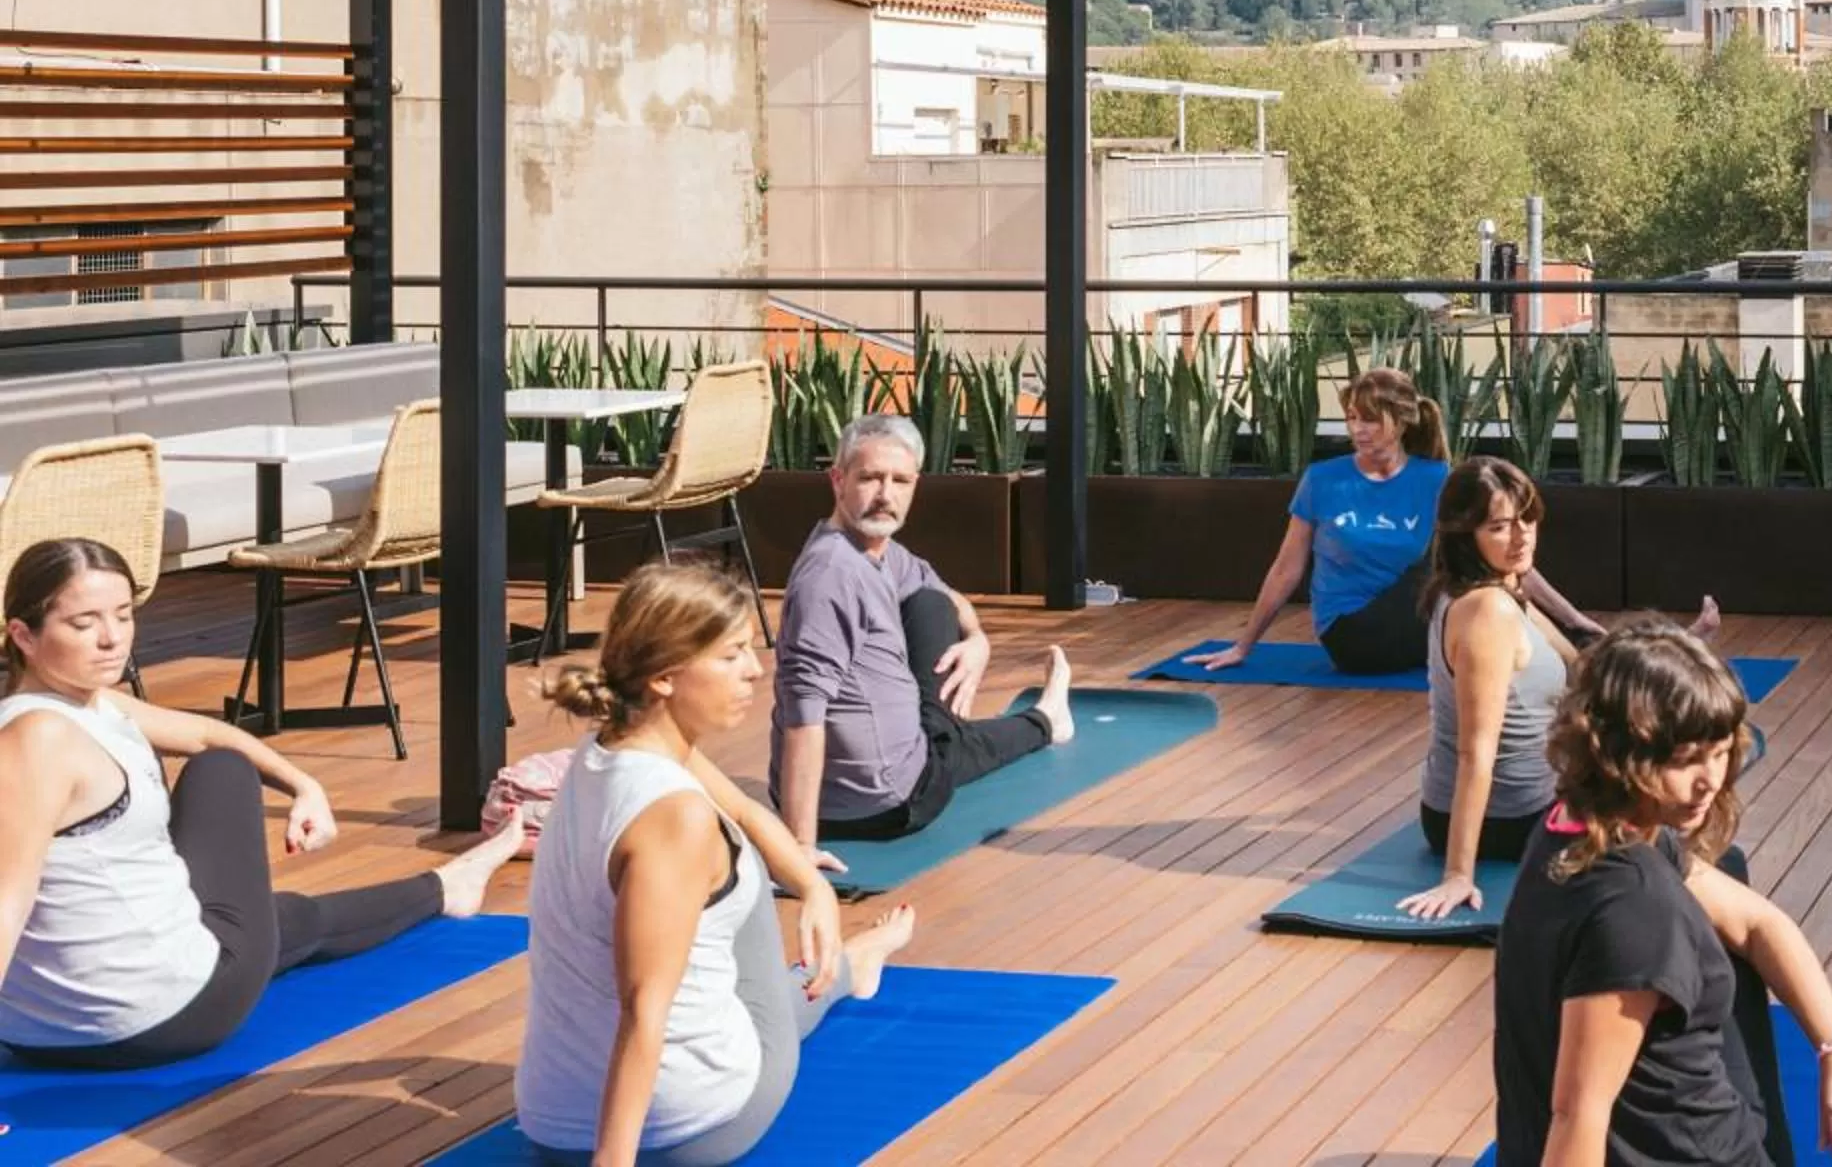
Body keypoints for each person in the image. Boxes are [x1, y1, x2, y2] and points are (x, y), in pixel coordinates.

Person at [0, 537, 519, 1069]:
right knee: (227, 782)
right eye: (84, 624)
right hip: (159, 1018)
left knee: (280, 914)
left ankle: (446, 889)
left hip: (35, 1031)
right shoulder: (42, 737)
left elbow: (204, 732)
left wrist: (304, 786)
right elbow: (5, 899)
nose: (112, 639)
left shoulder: (76, 706)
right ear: (23, 635)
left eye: (125, 615)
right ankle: (446, 887)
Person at [520, 559, 920, 1165]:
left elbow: (747, 809)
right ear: (664, 677)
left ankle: (849, 967)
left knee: (737, 840)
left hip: (550, 1123)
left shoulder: (610, 746)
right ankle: (845, 972)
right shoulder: (676, 818)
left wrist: (813, 887)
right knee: (741, 875)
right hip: (684, 1130)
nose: (756, 671)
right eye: (731, 655)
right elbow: (643, 1010)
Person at [1492, 618, 1832, 1166]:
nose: (1711, 780)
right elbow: (1577, 1113)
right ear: (1618, 755)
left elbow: (1757, 924)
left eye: (1720, 753)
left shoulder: (1575, 824)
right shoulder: (1633, 909)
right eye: (1683, 761)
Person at [769, 413, 1075, 848]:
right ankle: (1045, 721)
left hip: (864, 787)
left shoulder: (878, 550)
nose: (885, 495)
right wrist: (798, 849)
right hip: (887, 805)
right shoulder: (831, 575)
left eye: (900, 481)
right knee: (950, 747)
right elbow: (803, 713)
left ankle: (1027, 721)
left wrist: (977, 641)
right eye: (870, 478)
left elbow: (947, 597)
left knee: (930, 603)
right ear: (837, 481)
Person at [1183, 367, 1612, 677]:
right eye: (1352, 417)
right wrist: (1242, 646)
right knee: (1464, 562)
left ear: (1403, 420)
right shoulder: (1323, 480)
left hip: (1423, 622)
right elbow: (1286, 569)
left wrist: (1575, 615)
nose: (1358, 428)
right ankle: (1577, 652)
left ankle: (1577, 639)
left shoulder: (1435, 478)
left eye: (1370, 418)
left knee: (1480, 555)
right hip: (1352, 636)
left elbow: (1511, 560)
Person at [1399, 457, 1578, 921]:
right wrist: (1459, 873)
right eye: (1500, 526)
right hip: (1512, 820)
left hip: (1525, 800)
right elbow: (1475, 751)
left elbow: (1581, 665)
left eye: (1528, 519)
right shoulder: (1487, 613)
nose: (1521, 537)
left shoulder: (1495, 589)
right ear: (1466, 535)